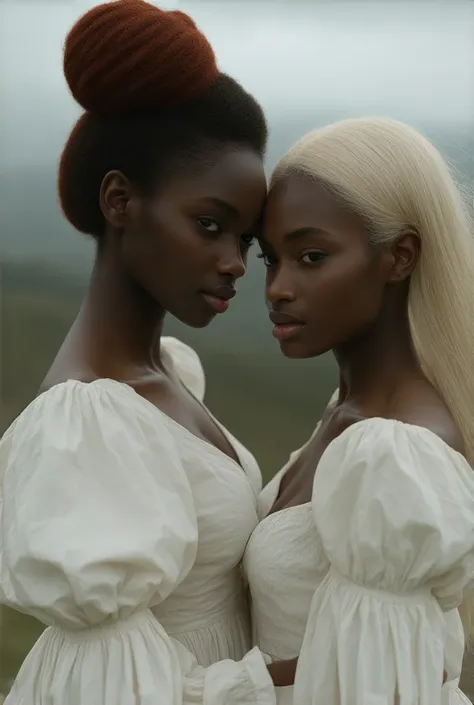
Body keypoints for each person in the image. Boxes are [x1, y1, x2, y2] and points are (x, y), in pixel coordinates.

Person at [0, 1, 291, 703]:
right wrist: (316, 666)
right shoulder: (86, 422)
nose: (234, 263)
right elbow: (110, 688)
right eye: (210, 224)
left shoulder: (169, 370)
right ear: (121, 201)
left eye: (245, 239)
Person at [244, 116, 474, 705]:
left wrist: (186, 690)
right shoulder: (348, 413)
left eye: (312, 256)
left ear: (399, 257)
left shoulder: (403, 450)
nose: (276, 287)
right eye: (270, 258)